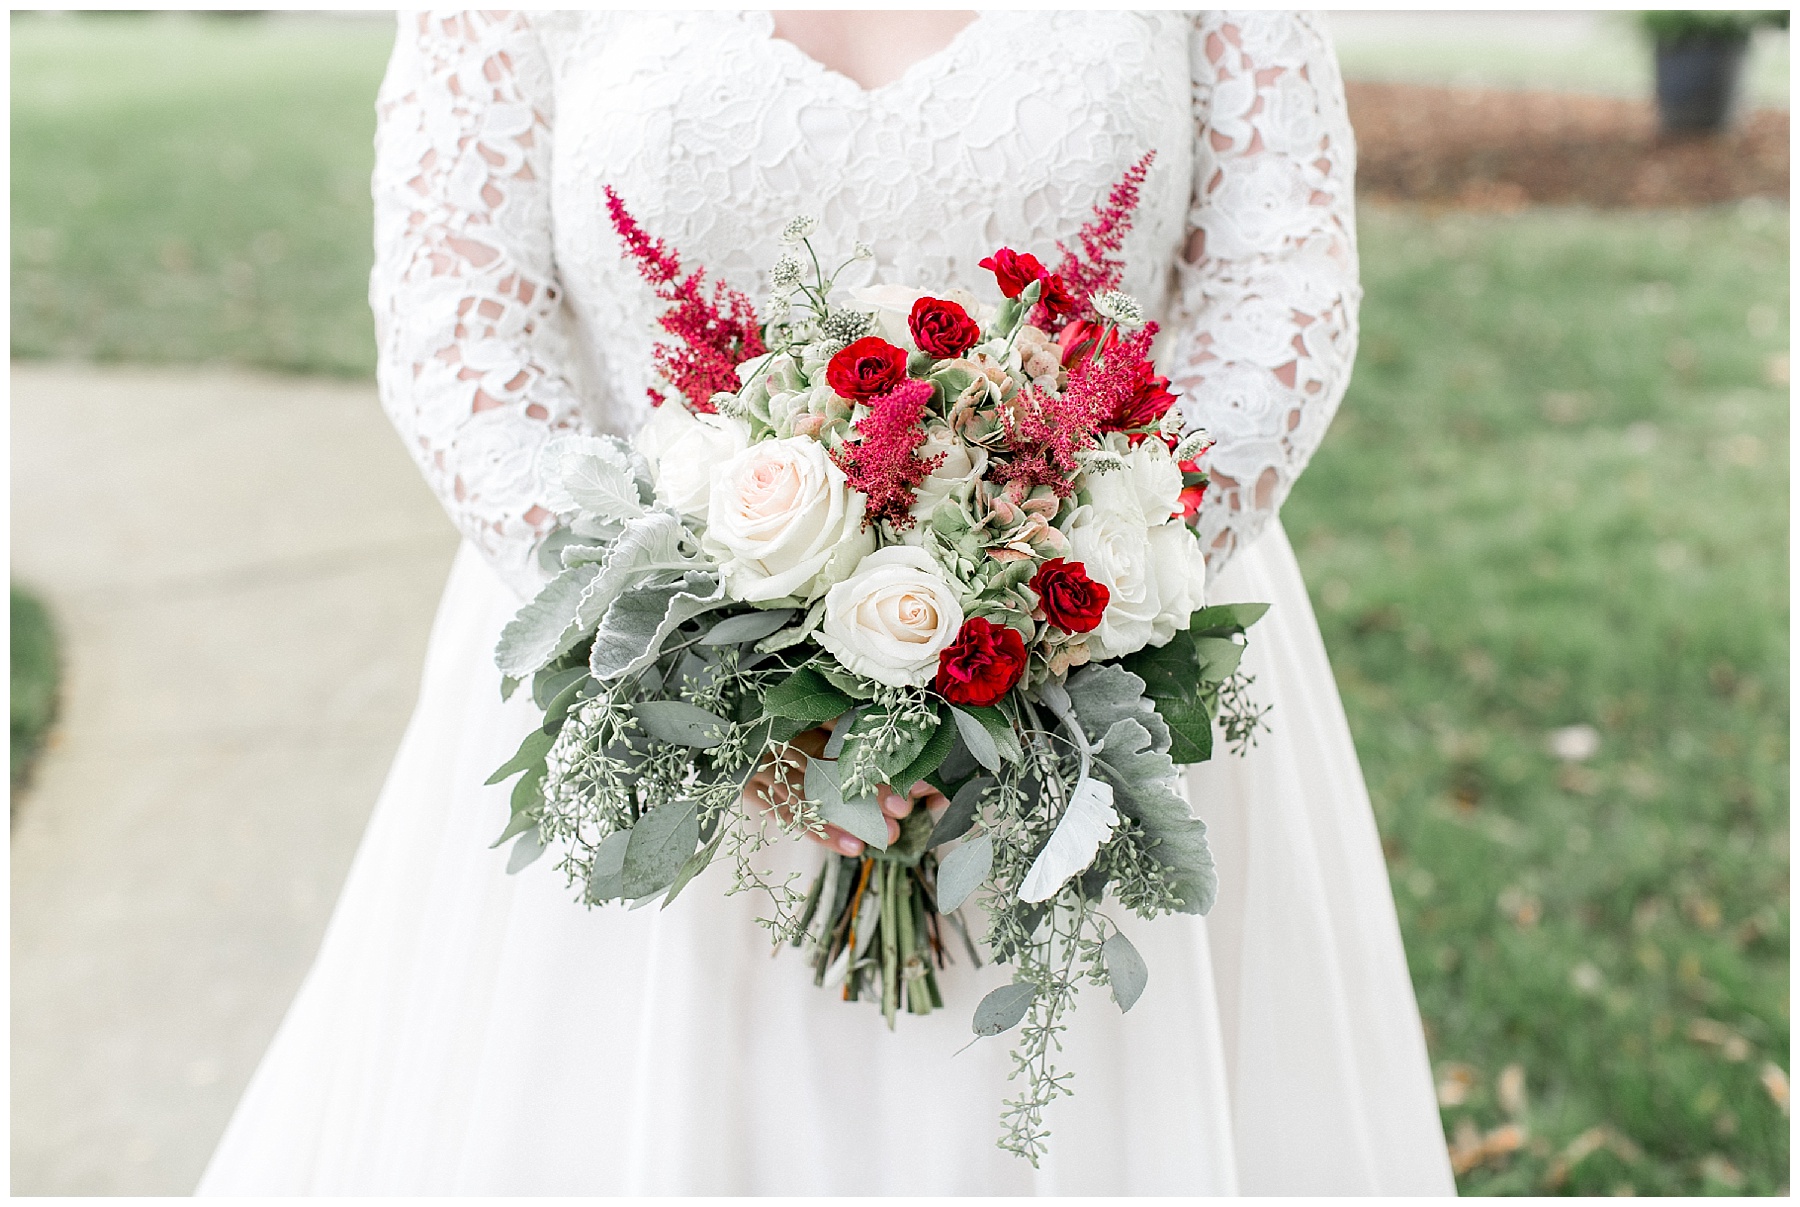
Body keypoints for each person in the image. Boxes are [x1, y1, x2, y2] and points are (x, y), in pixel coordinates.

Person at [198, 11, 1456, 1194]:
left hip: (1105, 678)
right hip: (650, 710)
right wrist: (707, 675)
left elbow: (1276, 290)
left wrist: (1058, 604)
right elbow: (459, 328)